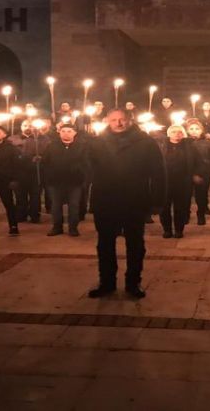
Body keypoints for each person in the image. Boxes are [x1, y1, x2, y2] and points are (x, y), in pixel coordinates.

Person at [86, 109, 165, 299]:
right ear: (107, 121)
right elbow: (87, 169)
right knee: (105, 243)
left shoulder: (145, 142)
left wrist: (157, 200)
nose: (118, 123)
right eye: (114, 120)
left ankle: (133, 283)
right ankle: (106, 282)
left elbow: (158, 173)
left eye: (122, 119)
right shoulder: (96, 143)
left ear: (130, 120)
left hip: (134, 199)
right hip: (106, 199)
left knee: (135, 244)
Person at [41, 123, 88, 236]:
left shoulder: (82, 146)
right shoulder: (52, 146)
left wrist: (83, 177)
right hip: (55, 182)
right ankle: (57, 227)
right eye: (63, 131)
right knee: (56, 205)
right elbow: (45, 162)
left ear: (74, 133)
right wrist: (48, 177)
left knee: (74, 205)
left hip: (74, 182)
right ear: (59, 132)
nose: (66, 133)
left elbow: (87, 164)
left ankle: (73, 228)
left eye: (69, 131)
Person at [159, 125, 205, 238]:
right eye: (174, 132)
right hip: (165, 182)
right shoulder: (161, 146)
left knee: (181, 207)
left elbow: (199, 162)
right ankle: (167, 229)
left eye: (179, 132)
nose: (177, 134)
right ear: (169, 133)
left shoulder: (190, 146)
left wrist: (196, 174)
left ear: (183, 134)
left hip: (183, 181)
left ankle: (179, 230)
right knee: (164, 208)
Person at [14, 120, 49, 224]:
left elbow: (48, 152)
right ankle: (21, 214)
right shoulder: (14, 139)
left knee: (35, 195)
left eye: (31, 126)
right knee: (20, 195)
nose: (28, 128)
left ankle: (34, 215)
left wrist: (41, 158)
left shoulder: (44, 139)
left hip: (36, 171)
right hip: (20, 171)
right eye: (25, 125)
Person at [187, 119, 210, 225]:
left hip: (203, 172)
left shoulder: (208, 143)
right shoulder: (184, 142)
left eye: (197, 129)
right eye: (191, 129)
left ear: (201, 130)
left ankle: (201, 214)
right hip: (186, 173)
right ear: (187, 130)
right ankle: (185, 214)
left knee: (201, 194)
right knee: (186, 195)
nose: (194, 131)